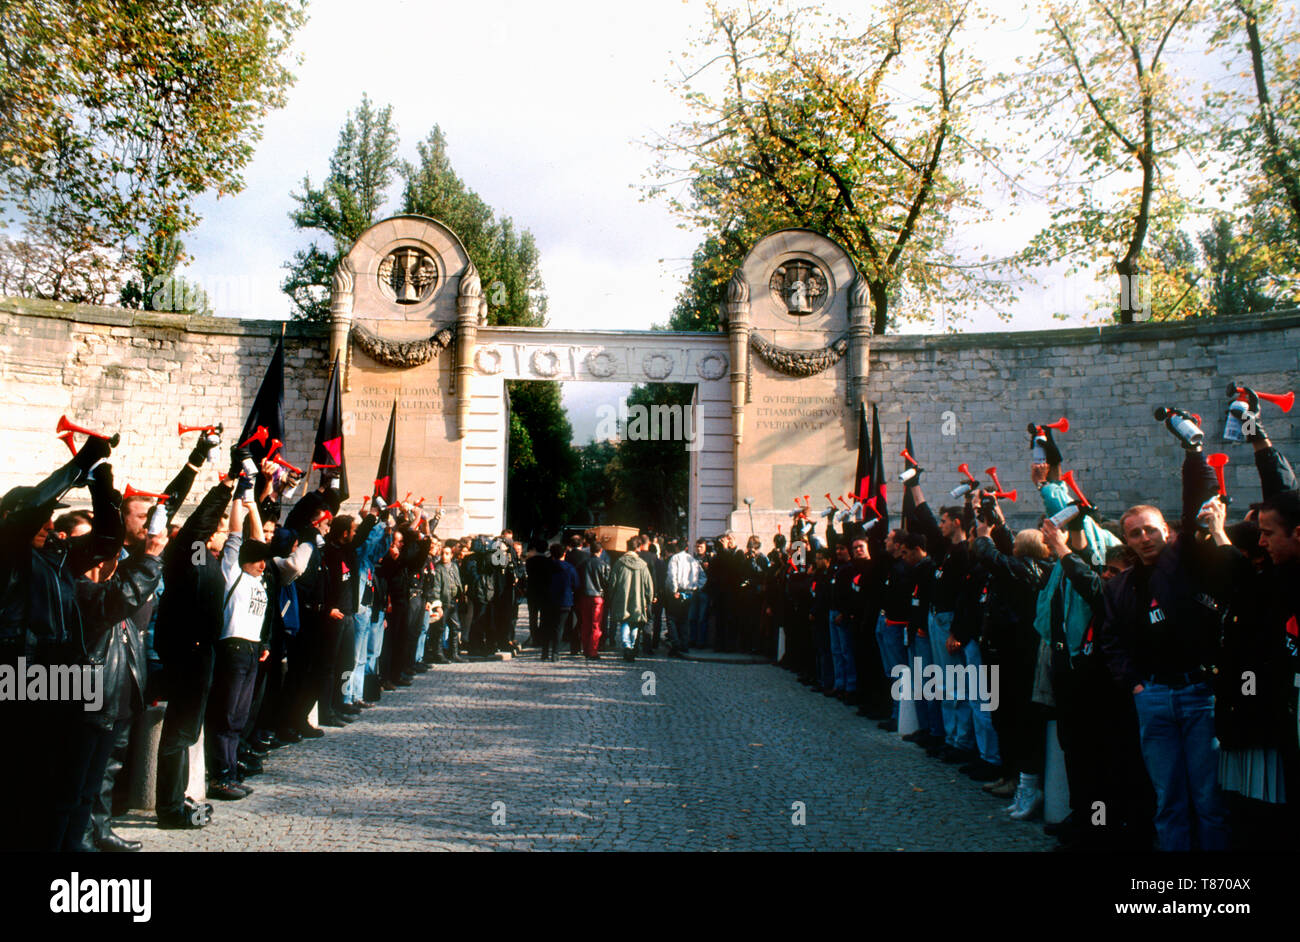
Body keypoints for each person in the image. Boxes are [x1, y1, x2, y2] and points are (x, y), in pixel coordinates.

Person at [1099, 440, 1230, 852]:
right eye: (1134, 533)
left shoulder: (1185, 565)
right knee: (1168, 798)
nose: (1143, 538)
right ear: (1127, 541)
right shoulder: (1119, 586)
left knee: (1208, 798)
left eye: (1150, 530)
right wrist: (1134, 683)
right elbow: (1110, 638)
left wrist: (1193, 454)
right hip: (1152, 696)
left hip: (1198, 695)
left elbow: (1195, 507)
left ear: (1167, 532)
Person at [153, 449, 244, 830]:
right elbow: (198, 525)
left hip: (202, 653)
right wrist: (225, 486)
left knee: (187, 731)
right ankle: (169, 807)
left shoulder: (206, 560)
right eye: (217, 527)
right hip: (186, 653)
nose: (219, 531)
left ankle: (176, 797)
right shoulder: (188, 554)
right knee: (178, 733)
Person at [608, 536, 654, 661]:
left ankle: (627, 645)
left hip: (622, 597)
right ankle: (632, 646)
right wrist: (649, 599)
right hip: (639, 599)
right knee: (635, 622)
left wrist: (610, 596)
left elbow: (612, 582)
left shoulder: (619, 562)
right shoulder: (643, 565)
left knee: (625, 621)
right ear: (638, 548)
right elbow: (648, 584)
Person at [664, 538, 702, 658]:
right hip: (689, 592)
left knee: (672, 619)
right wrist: (695, 588)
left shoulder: (674, 559)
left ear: (676, 548)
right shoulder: (693, 560)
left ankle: (675, 644)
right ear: (686, 547)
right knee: (684, 619)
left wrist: (674, 590)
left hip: (678, 591)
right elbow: (702, 576)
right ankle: (684, 644)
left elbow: (672, 575)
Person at [540, 544, 576, 662]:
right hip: (564, 601)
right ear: (564, 554)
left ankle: (544, 653)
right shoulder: (569, 568)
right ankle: (555, 653)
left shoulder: (545, 566)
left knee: (546, 626)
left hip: (547, 600)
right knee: (559, 628)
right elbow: (576, 584)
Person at [577, 535, 610, 659]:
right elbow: (607, 582)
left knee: (585, 624)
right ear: (600, 551)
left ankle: (585, 649)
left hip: (584, 596)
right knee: (596, 625)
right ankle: (593, 650)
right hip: (597, 597)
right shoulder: (603, 564)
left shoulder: (583, 564)